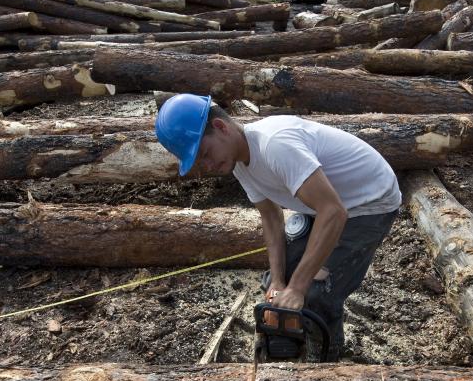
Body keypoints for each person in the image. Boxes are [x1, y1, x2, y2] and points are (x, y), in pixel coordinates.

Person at [155, 93, 401, 360]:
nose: (208, 165)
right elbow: (271, 218)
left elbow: (333, 212)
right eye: (199, 162)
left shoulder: (275, 145)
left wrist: (297, 288)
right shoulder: (239, 163)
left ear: (221, 127)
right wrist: (279, 280)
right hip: (324, 203)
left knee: (316, 290)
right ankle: (293, 339)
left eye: (205, 154)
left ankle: (328, 354)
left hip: (370, 203)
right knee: (277, 280)